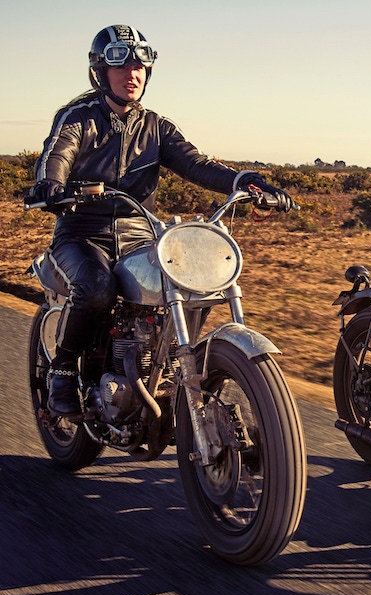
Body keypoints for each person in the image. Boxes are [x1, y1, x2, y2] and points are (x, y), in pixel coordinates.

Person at [29, 24, 293, 420]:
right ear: (100, 72)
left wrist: (246, 182)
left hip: (141, 236)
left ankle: (164, 367)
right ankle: (64, 370)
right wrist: (51, 184)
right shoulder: (77, 117)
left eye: (139, 66)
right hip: (82, 233)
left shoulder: (157, 126)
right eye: (121, 67)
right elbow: (57, 154)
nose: (132, 74)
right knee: (96, 287)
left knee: (187, 284)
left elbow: (195, 163)